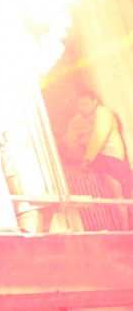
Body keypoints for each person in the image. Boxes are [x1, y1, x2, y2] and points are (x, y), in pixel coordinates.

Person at [65, 88, 131, 231]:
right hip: (92, 161)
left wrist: (86, 160)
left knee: (117, 196)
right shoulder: (75, 121)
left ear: (94, 102)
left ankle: (125, 230)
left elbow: (99, 136)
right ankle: (119, 229)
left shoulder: (103, 113)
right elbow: (71, 142)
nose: (83, 108)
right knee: (107, 197)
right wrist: (80, 159)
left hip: (111, 157)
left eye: (86, 104)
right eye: (80, 105)